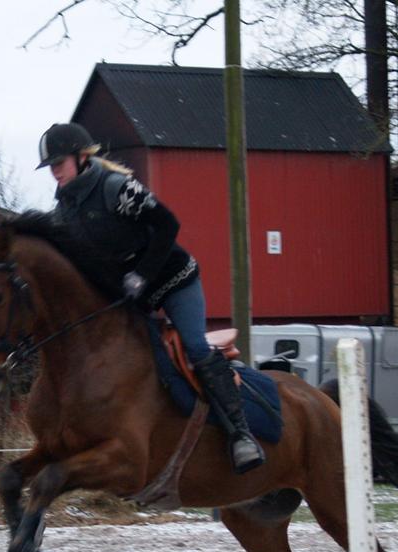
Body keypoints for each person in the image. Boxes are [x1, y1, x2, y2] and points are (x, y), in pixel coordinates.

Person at [37, 122, 265, 474]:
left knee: (195, 347)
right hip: (133, 298)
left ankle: (241, 434)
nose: (54, 172)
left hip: (173, 280)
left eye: (58, 163)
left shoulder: (117, 188)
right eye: (50, 167)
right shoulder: (63, 211)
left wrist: (142, 273)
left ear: (81, 158)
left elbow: (168, 225)